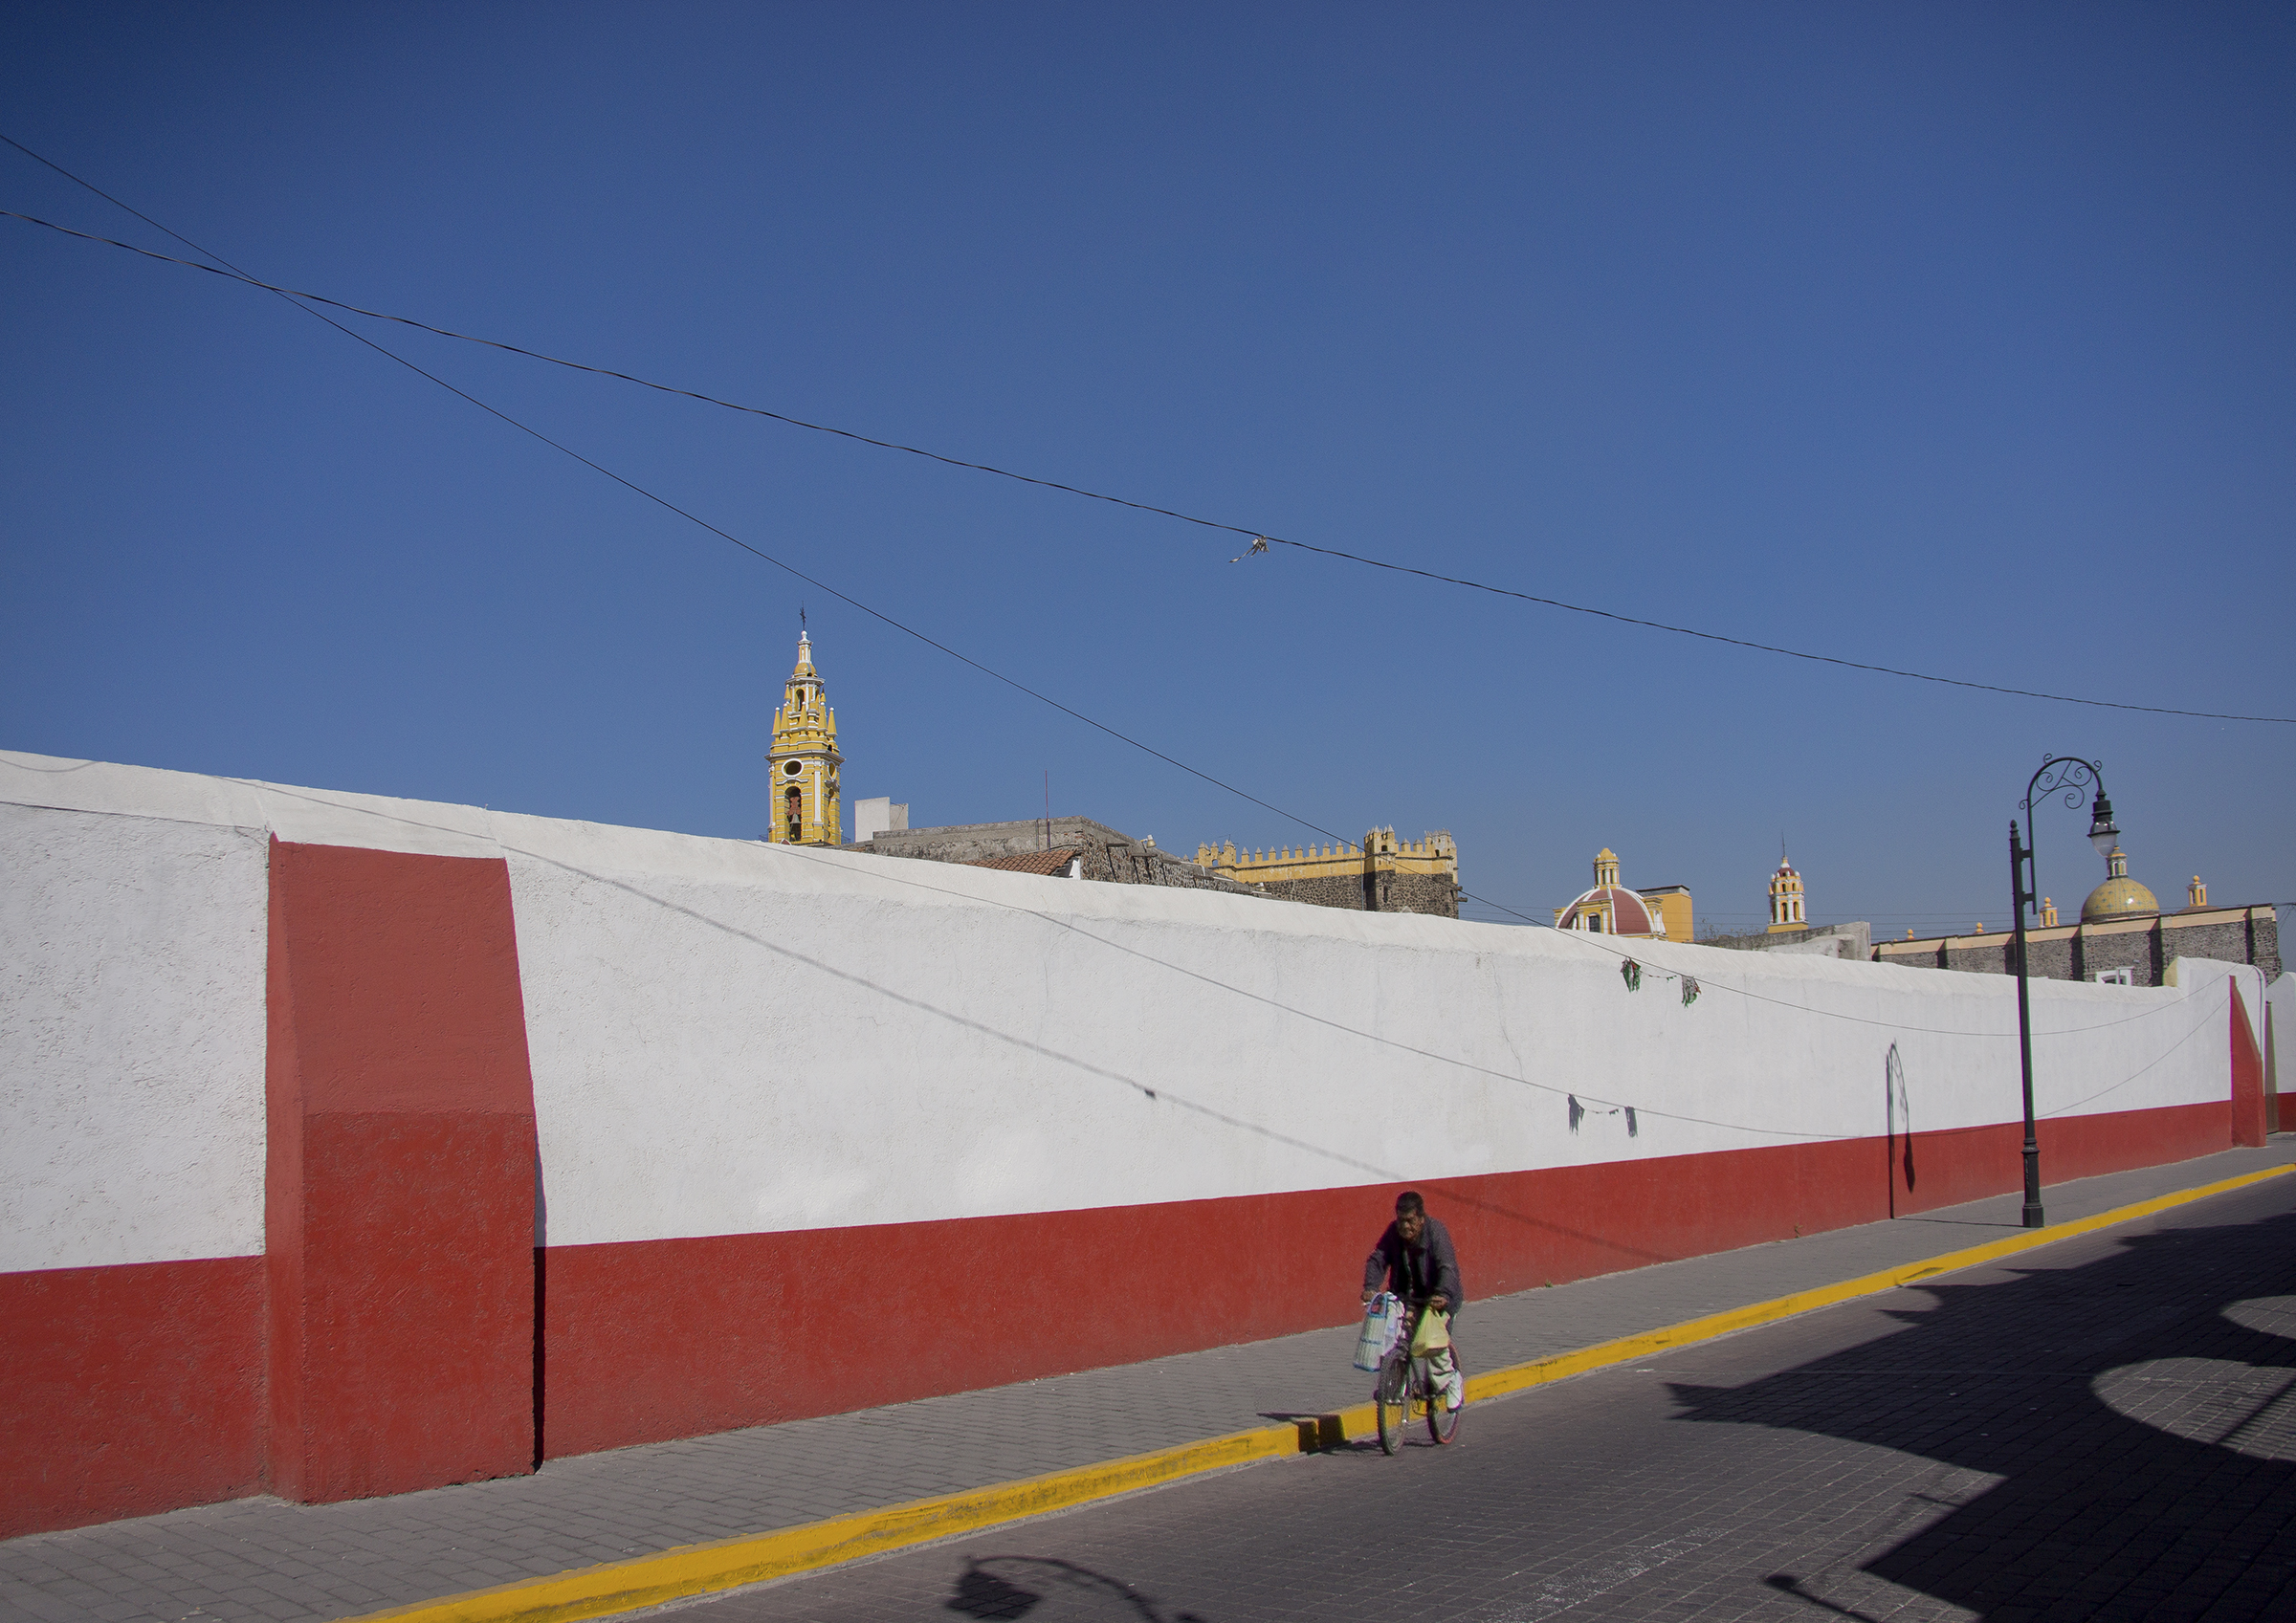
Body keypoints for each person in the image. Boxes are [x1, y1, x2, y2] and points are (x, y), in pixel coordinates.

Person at [1361, 1190, 1465, 1411]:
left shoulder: (1436, 1233)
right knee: (1392, 1333)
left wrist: (1443, 1294)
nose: (1405, 1226)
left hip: (1438, 1298)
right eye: (1401, 1220)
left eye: (1410, 1221)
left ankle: (1451, 1380)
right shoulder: (1393, 1233)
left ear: (1421, 1218)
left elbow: (1447, 1267)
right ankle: (1394, 1382)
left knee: (1431, 1343)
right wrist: (1370, 1287)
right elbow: (1378, 1258)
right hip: (1406, 1296)